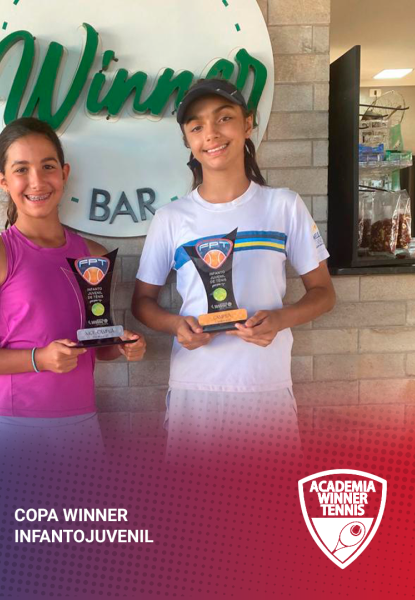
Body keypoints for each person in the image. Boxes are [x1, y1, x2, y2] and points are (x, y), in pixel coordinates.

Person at [131, 79, 335, 461]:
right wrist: (175, 325)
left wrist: (280, 319)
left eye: (223, 118)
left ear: (248, 124)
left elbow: (324, 293)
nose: (211, 133)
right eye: (197, 126)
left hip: (265, 386)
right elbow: (142, 302)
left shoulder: (284, 206)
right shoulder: (171, 218)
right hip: (195, 388)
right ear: (188, 140)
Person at [0, 117, 146, 462]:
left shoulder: (94, 256)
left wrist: (121, 345)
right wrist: (39, 359)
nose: (37, 181)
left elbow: (98, 346)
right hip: (12, 426)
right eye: (21, 169)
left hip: (80, 422)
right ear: (2, 180)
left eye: (48, 166)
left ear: (64, 173)